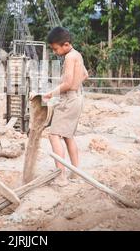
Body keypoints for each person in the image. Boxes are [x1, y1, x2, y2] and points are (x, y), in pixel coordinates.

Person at [43, 27, 88, 186]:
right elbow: (85, 75)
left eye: (56, 48)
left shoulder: (69, 58)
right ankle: (76, 173)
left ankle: (61, 177)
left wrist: (51, 93)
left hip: (69, 100)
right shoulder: (78, 55)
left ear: (66, 44)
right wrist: (75, 85)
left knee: (54, 135)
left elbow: (68, 83)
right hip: (77, 98)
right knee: (68, 136)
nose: (55, 52)